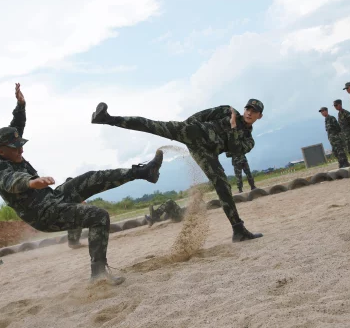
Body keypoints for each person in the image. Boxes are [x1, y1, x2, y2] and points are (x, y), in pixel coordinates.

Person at [0, 83, 164, 286]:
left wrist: (21, 105)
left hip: (51, 197)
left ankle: (144, 172)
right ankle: (98, 274)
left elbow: (16, 127)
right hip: (43, 214)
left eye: (21, 146)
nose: (21, 151)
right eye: (16, 148)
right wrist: (31, 182)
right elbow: (12, 182)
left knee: (90, 178)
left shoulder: (7, 147)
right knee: (99, 216)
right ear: (1, 151)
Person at [91, 99, 264, 242]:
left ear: (259, 116)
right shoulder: (228, 110)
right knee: (152, 125)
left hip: (207, 153)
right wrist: (185, 130)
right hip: (195, 134)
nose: (249, 112)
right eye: (248, 108)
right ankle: (106, 118)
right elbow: (202, 115)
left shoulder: (249, 141)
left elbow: (234, 150)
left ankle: (238, 230)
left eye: (254, 111)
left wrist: (233, 128)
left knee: (223, 186)